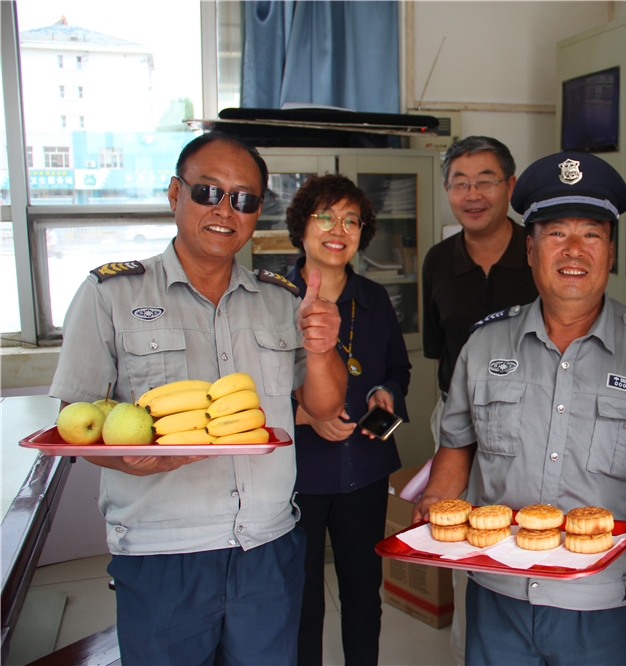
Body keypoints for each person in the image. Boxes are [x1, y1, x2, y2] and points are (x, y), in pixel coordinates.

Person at [49, 132, 347, 666]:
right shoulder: (110, 294)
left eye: (244, 199)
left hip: (267, 547)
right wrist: (131, 459)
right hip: (163, 551)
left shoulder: (280, 300)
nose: (225, 210)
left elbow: (323, 409)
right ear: (174, 194)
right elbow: (76, 421)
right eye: (208, 192)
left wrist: (323, 348)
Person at [413, 151, 626, 666]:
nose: (574, 250)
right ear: (530, 249)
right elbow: (458, 443)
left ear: (610, 252)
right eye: (555, 234)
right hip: (499, 588)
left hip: (607, 597)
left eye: (591, 234)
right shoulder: (484, 344)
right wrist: (436, 498)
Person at [282, 174, 410, 665]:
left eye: (351, 221)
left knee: (362, 594)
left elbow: (399, 367)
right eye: (325, 217)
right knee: (302, 600)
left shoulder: (374, 299)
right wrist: (306, 416)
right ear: (302, 227)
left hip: (365, 472)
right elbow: (249, 392)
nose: (338, 230)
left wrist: (386, 392)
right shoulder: (272, 297)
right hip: (297, 476)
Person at [421, 135, 538, 662]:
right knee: (461, 537)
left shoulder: (539, 250)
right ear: (447, 190)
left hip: (536, 421)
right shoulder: (438, 261)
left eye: (485, 181)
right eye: (460, 183)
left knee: (525, 529)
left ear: (510, 186)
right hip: (457, 420)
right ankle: (473, 650)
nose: (472, 194)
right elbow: (438, 349)